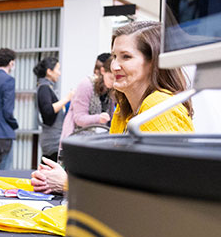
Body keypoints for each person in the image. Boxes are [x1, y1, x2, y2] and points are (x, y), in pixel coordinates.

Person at [32, 21, 194, 194]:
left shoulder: (158, 106)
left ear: (153, 63)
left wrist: (68, 184)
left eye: (126, 57)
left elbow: (151, 192)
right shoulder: (123, 110)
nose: (115, 66)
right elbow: (116, 175)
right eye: (114, 56)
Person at [59, 55, 115, 147]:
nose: (113, 83)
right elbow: (78, 118)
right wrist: (98, 118)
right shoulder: (86, 84)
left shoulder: (111, 89)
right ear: (103, 71)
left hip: (99, 140)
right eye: (111, 78)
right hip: (79, 140)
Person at [34, 57, 74, 162]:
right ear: (49, 71)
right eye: (57, 69)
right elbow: (48, 111)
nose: (59, 73)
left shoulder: (47, 87)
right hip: (52, 142)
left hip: (53, 141)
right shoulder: (44, 88)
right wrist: (67, 98)